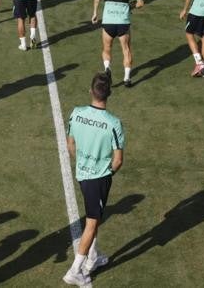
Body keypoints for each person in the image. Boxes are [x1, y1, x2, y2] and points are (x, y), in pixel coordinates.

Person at [63, 73, 125, 287]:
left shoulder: (76, 113)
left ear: (91, 91)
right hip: (98, 179)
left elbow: (70, 144)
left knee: (95, 219)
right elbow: (117, 161)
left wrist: (82, 163)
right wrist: (104, 174)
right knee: (91, 223)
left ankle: (93, 257)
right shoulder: (113, 123)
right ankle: (75, 271)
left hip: (82, 174)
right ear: (109, 93)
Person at [91, 0, 145, 86]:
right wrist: (130, 6)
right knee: (126, 50)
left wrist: (95, 13)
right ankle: (127, 78)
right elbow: (141, 2)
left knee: (106, 48)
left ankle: (107, 68)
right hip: (123, 23)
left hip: (108, 23)